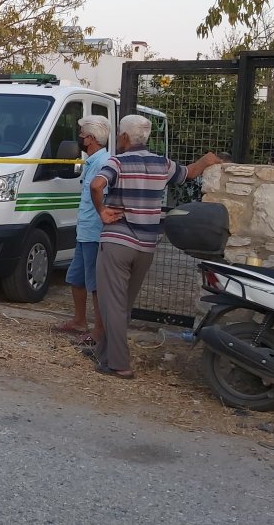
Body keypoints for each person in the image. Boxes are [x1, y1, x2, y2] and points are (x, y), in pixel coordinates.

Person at [88, 114, 223, 379]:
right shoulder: (162, 163)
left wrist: (102, 210)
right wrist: (207, 160)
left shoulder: (118, 162)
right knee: (123, 305)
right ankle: (104, 353)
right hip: (147, 245)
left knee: (111, 304)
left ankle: (119, 364)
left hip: (118, 241)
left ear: (124, 137)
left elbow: (97, 184)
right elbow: (189, 173)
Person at [54, 115, 112, 342]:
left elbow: (101, 196)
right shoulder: (92, 162)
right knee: (76, 277)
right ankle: (79, 321)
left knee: (95, 283)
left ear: (91, 139)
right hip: (85, 231)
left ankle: (98, 330)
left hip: (94, 233)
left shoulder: (104, 163)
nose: (79, 138)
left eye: (82, 135)